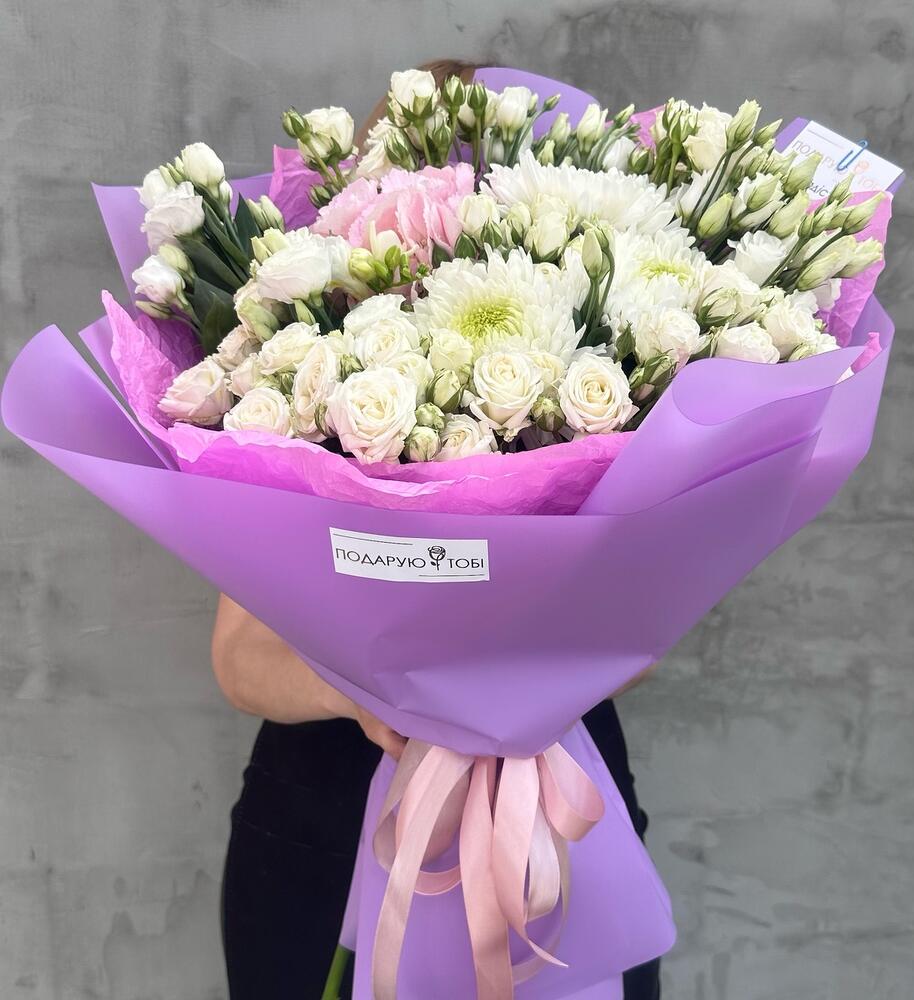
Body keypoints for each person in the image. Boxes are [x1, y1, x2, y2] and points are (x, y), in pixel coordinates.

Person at [215, 60, 662, 1000]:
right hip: (328, 818)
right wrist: (372, 697)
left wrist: (518, 681)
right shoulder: (292, 377)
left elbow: (648, 631)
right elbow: (239, 657)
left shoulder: (609, 381)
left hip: (556, 812)